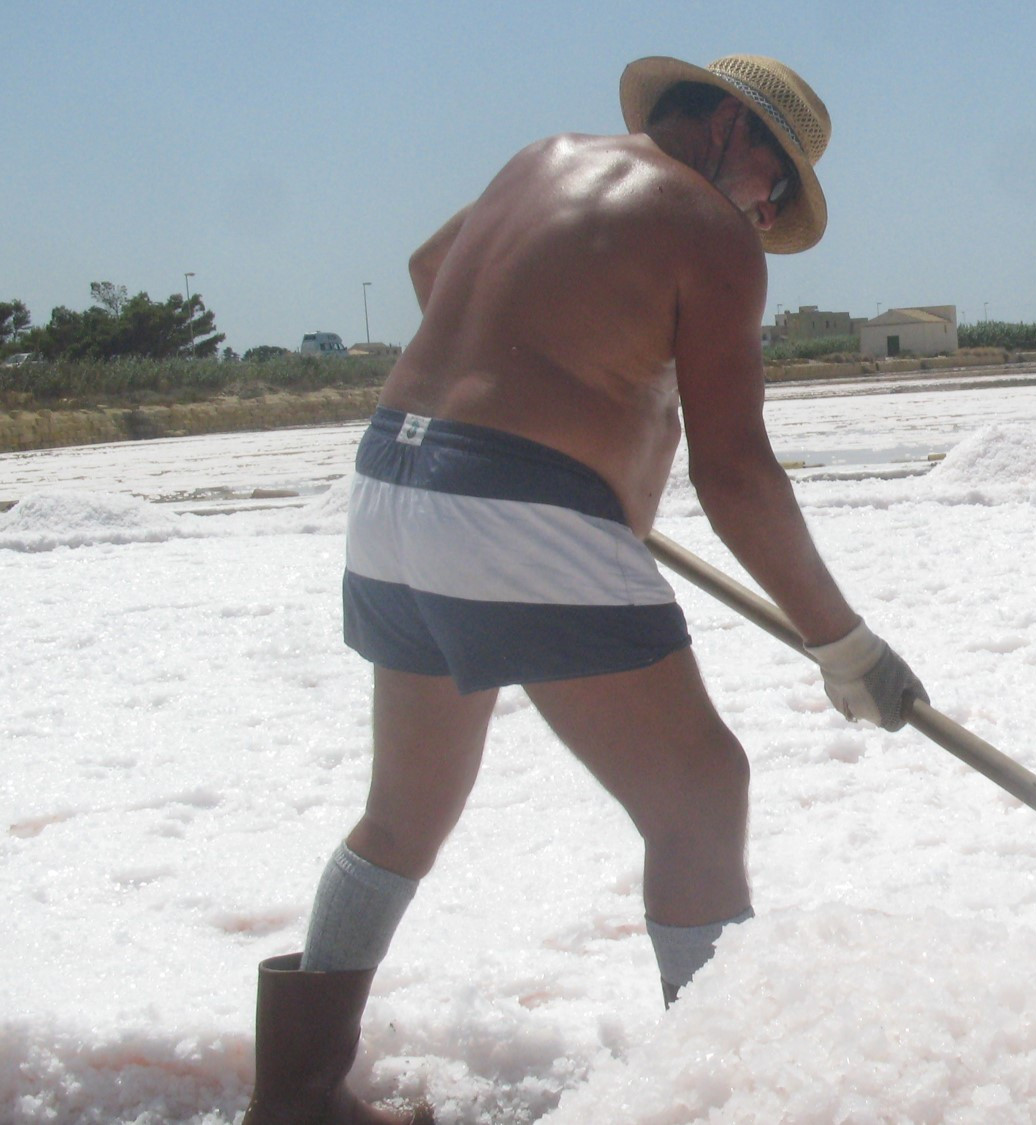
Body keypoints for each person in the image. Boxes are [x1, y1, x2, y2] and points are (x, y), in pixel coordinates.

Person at [240, 54, 928, 1125]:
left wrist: (562, 395)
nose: (767, 208)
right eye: (777, 182)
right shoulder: (711, 234)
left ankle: (297, 1098)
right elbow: (734, 470)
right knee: (701, 798)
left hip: (393, 484)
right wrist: (842, 645)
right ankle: (707, 1101)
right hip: (520, 514)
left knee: (403, 814)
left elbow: (432, 268)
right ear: (731, 130)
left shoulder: (540, 160)